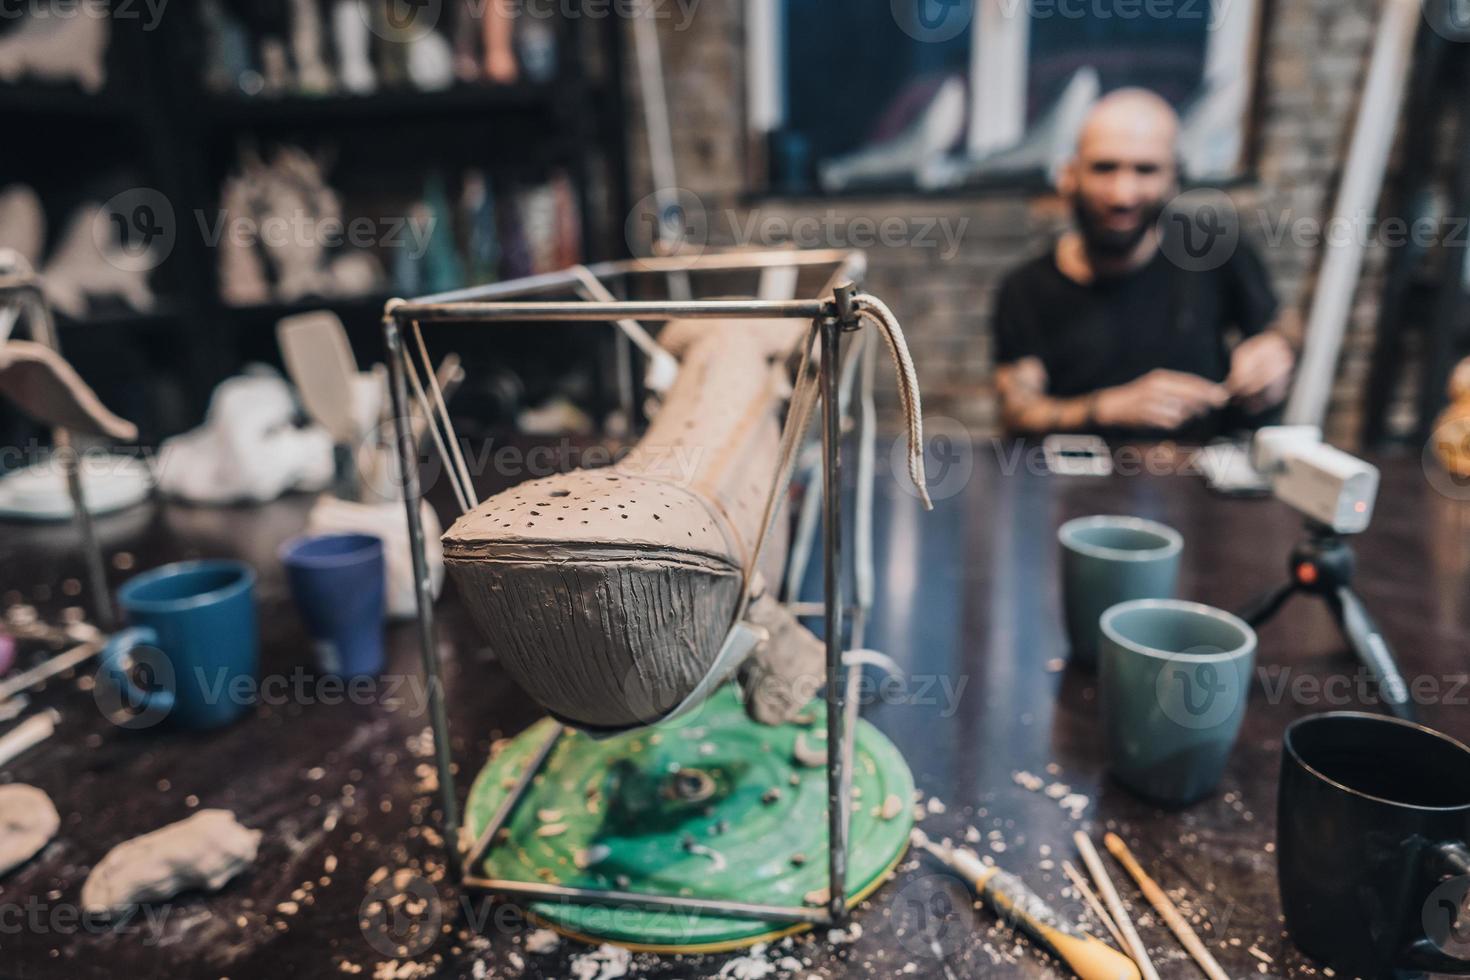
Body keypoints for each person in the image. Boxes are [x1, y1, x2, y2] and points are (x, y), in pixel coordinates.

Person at [991, 88, 1297, 440]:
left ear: (1174, 178)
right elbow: (1018, 413)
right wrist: (1110, 408)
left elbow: (1280, 325)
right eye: (1104, 168)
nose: (1122, 194)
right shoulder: (1026, 289)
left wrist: (1275, 350)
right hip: (1075, 487)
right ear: (1070, 176)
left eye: (1146, 170)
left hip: (1199, 483)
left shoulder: (1216, 251)